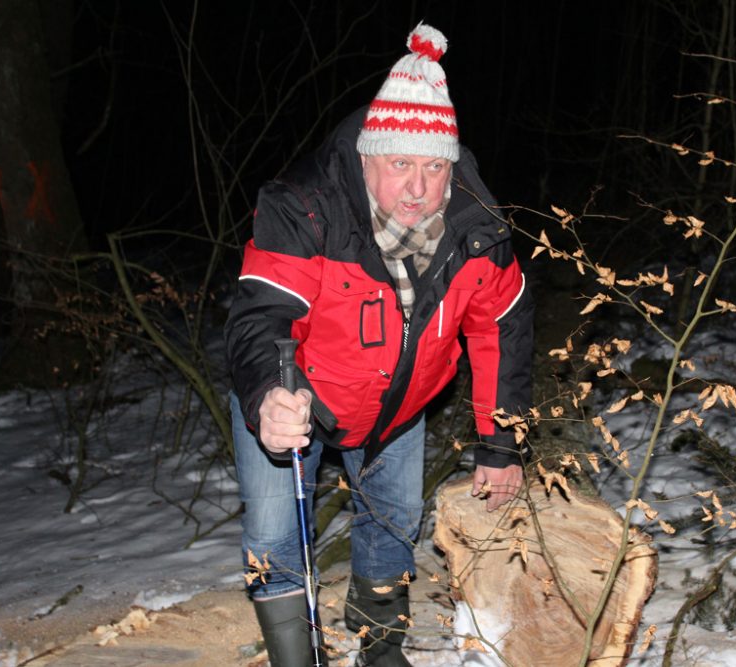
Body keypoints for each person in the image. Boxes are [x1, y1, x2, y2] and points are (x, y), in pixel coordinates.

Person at [224, 23, 534, 667]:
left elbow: (500, 326)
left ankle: (380, 642)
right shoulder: (304, 206)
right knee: (275, 531)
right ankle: (293, 651)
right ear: (369, 157)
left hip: (398, 404)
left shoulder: (477, 228)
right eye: (401, 164)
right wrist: (266, 399)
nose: (419, 188)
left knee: (394, 519)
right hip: (298, 395)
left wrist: (501, 443)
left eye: (433, 167)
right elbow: (261, 315)